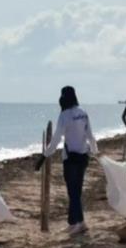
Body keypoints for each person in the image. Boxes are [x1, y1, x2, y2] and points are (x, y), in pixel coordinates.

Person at [35, 86, 98, 235]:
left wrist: (44, 156)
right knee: (76, 191)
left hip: (70, 159)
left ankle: (81, 223)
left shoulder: (65, 115)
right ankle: (72, 222)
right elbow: (90, 135)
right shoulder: (83, 113)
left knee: (73, 192)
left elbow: (56, 138)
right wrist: (95, 151)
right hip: (83, 157)